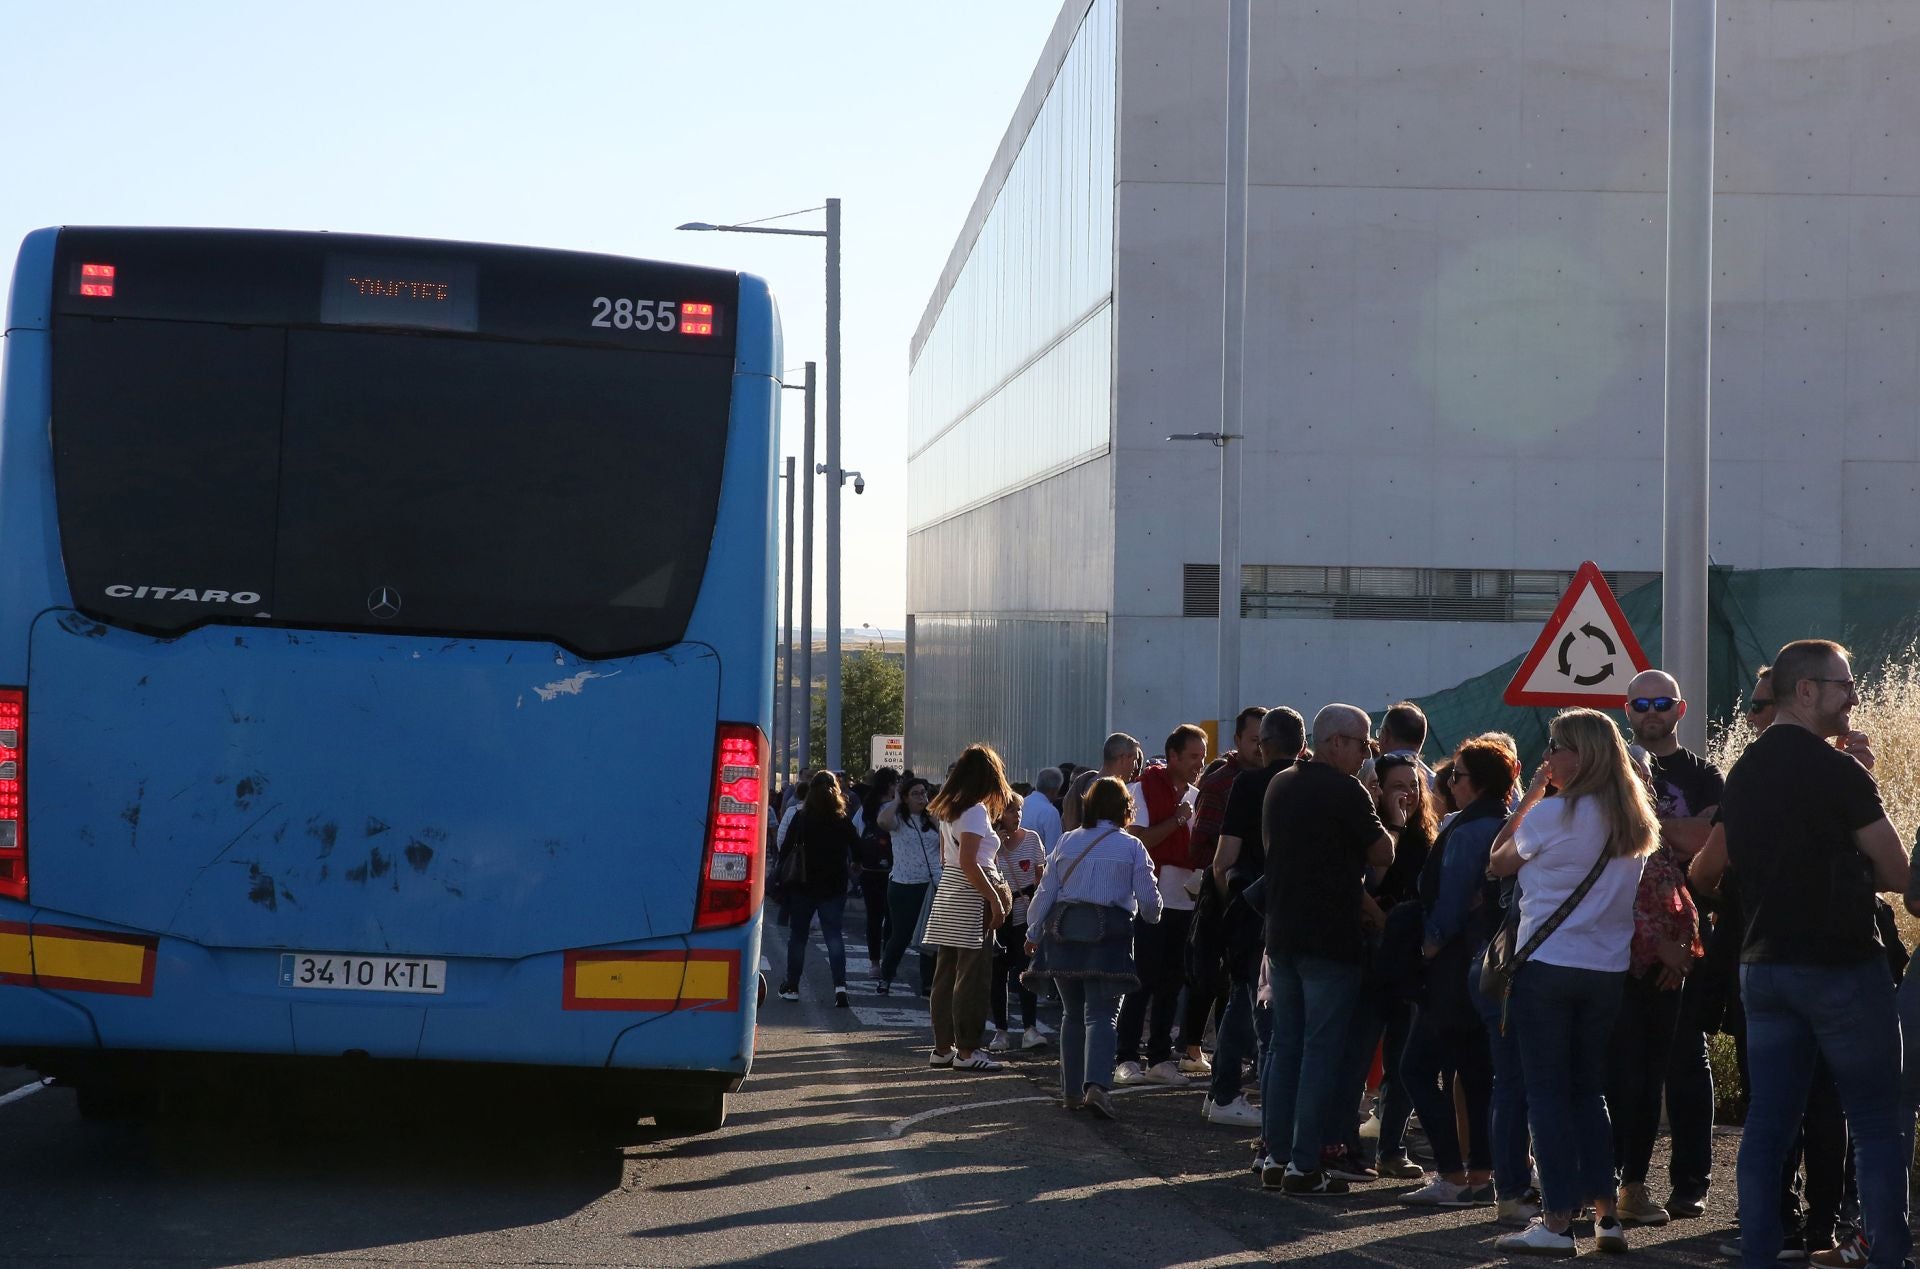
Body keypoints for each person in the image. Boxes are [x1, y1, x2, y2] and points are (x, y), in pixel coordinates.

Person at [1722, 640, 1911, 1269]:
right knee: (1877, 1118)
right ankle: (1886, 1254)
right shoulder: (1837, 773)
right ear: (1805, 691)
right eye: (1842, 685)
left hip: (1763, 966)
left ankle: (1757, 1252)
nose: (1853, 697)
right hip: (1840, 963)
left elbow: (1720, 865)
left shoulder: (1744, 772)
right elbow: (1897, 872)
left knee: (1769, 1123)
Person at [1487, 708, 1659, 1256]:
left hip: (1548, 968)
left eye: (1556, 745)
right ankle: (1608, 1218)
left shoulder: (1551, 815)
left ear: (1581, 755)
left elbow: (1497, 862)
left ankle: (1558, 1220)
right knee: (1589, 1092)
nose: (1548, 757)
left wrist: (1533, 793)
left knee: (1546, 1095)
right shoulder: (1634, 821)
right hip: (1605, 972)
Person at [1258, 704, 1393, 1197]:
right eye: (1362, 744)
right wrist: (1385, 812)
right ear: (1335, 741)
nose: (1365, 753)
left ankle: (1275, 1155)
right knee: (1320, 1051)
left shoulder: (1280, 784)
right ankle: (1303, 1163)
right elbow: (1384, 853)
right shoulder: (1346, 789)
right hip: (1330, 936)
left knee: (1285, 1046)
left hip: (1282, 932)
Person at [1394, 742, 1501, 1207]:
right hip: (1484, 966)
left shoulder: (1470, 829)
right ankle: (1479, 1174)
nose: (1448, 783)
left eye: (1456, 775)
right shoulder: (1503, 820)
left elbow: (1452, 900)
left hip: (1453, 968)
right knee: (1476, 1073)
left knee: (1416, 1068)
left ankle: (1453, 1173)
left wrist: (1427, 945)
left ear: (1475, 782)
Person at [1024, 776, 1163, 1119]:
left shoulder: (1068, 841)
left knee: (1071, 1014)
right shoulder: (1131, 847)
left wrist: (1033, 930)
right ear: (1124, 809)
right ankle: (1097, 1087)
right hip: (1110, 938)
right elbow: (1149, 901)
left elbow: (1046, 892)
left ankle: (1070, 1091)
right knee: (1102, 1015)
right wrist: (1152, 916)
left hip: (1064, 933)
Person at [1203, 706, 1305, 1128]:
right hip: (1295, 912)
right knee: (1270, 1019)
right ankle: (1268, 1116)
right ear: (1303, 744)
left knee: (1245, 1002)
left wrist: (1236, 902)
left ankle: (1223, 1094)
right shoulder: (1312, 785)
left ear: (1264, 745)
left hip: (1250, 909)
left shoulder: (1246, 784)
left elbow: (1221, 861)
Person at [1114, 724, 1210, 1086]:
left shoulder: (1199, 796)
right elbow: (1138, 841)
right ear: (1172, 756)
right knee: (1140, 980)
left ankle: (1159, 1056)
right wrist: (1177, 820)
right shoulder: (1140, 790)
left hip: (1186, 903)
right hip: (1148, 902)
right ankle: (1126, 1056)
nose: (1198, 764)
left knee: (1172, 982)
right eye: (1192, 757)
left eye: (1202, 758)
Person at [924, 745, 1017, 1072]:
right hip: (971, 893)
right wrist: (993, 898)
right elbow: (970, 862)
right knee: (973, 976)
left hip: (949, 891)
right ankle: (967, 1050)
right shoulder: (976, 811)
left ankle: (942, 1047)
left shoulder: (948, 808)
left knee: (946, 973)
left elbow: (947, 858)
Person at [775, 770, 861, 1007]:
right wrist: (854, 864)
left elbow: (785, 850)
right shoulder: (842, 818)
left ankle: (792, 986)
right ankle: (840, 987)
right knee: (833, 936)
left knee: (798, 936)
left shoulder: (801, 817)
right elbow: (858, 847)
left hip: (803, 884)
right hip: (834, 885)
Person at [986, 793, 1049, 1053]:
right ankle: (1000, 1030)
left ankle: (1029, 1029)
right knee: (998, 974)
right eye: (1011, 811)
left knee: (1025, 972)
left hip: (1024, 913)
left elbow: (1040, 878)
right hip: (999, 914)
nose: (1017, 816)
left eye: (1019, 810)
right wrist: (994, 846)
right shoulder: (990, 843)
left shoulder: (1032, 839)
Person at [876, 777, 941, 998]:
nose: (921, 797)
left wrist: (933, 816)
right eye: (915, 793)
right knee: (901, 934)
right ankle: (886, 977)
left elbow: (948, 840)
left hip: (931, 883)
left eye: (924, 793)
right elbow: (882, 822)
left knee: (929, 936)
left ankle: (927, 983)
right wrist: (896, 800)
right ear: (905, 797)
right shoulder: (898, 820)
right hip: (903, 883)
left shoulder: (932, 819)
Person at [855, 767, 901, 972]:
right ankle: (888, 962)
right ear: (891, 785)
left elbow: (857, 831)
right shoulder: (896, 807)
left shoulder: (867, 806)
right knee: (892, 918)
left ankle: (874, 962)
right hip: (894, 868)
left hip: (869, 868)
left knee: (873, 917)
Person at [1062, 733, 1142, 832]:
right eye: (1134, 760)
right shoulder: (1109, 794)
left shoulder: (1079, 789)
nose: (1136, 767)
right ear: (1123, 759)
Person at [1026, 768, 1065, 852]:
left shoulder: (1022, 803)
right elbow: (1054, 850)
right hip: (1038, 863)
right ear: (1054, 790)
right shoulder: (1051, 812)